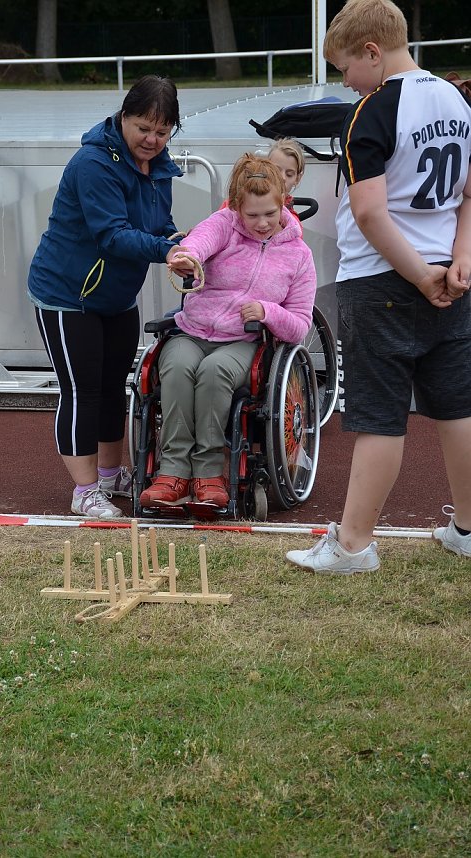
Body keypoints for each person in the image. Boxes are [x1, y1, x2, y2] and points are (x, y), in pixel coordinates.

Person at [286, 0, 471, 573]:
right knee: (457, 408)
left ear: (372, 52)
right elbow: (468, 194)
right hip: (451, 274)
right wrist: (459, 260)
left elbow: (368, 212)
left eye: (345, 68)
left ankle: (353, 544)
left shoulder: (371, 109)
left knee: (378, 417)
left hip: (384, 279)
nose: (345, 81)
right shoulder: (458, 99)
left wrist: (418, 275)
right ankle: (467, 529)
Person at [28, 75, 187, 519]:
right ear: (124, 117)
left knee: (114, 387)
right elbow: (112, 235)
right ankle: (84, 492)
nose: (152, 140)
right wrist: (167, 250)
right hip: (66, 295)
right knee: (81, 391)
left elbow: (160, 225)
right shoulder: (91, 163)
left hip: (117, 297)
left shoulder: (159, 166)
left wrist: (186, 242)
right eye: (143, 128)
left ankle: (110, 474)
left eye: (162, 131)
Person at [139, 153, 317, 509]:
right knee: (174, 368)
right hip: (194, 330)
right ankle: (172, 472)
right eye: (252, 215)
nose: (263, 223)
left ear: (283, 202)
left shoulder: (299, 255)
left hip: (243, 340)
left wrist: (268, 311)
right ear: (236, 207)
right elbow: (201, 241)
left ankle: (209, 472)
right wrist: (187, 256)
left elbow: (299, 325)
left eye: (270, 213)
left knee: (214, 372)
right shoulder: (224, 224)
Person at [267, 138, 305, 224]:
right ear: (265, 169)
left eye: (289, 174)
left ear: (297, 178)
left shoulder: (293, 224)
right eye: (276, 170)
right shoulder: (243, 201)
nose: (282, 177)